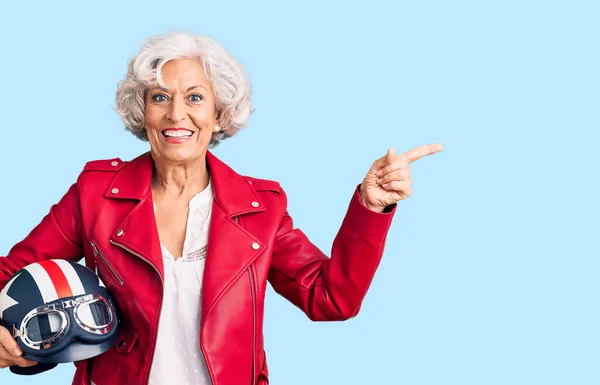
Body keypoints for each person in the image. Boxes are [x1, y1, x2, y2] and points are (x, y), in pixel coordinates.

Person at [0, 31, 443, 385]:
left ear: (219, 115)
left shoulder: (261, 208)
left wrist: (370, 206)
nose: (177, 114)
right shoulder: (95, 193)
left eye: (195, 98)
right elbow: (11, 276)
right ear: (143, 113)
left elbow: (331, 299)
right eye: (160, 97)